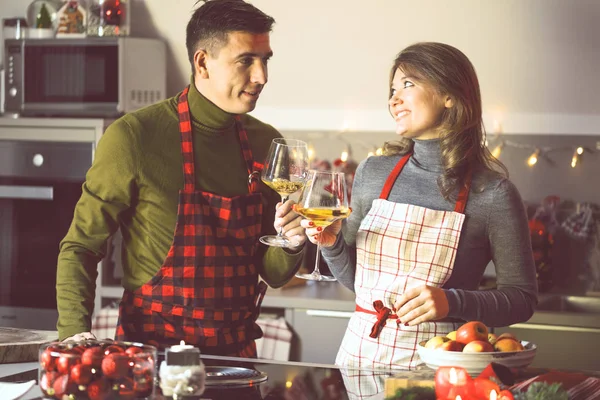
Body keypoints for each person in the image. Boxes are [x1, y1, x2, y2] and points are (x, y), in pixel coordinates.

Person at [56, 0, 306, 357]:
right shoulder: (135, 137)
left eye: (265, 60)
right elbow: (81, 246)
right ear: (202, 62)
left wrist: (291, 242)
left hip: (235, 358)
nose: (261, 76)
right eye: (246, 60)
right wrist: (73, 332)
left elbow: (272, 272)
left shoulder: (266, 142)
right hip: (149, 357)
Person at [300, 42, 538, 376]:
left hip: (443, 368)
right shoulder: (374, 172)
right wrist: (331, 246)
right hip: (358, 360)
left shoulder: (493, 194)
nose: (393, 99)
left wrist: (451, 302)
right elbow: (360, 284)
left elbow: (522, 299)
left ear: (449, 95)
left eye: (407, 84)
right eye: (392, 89)